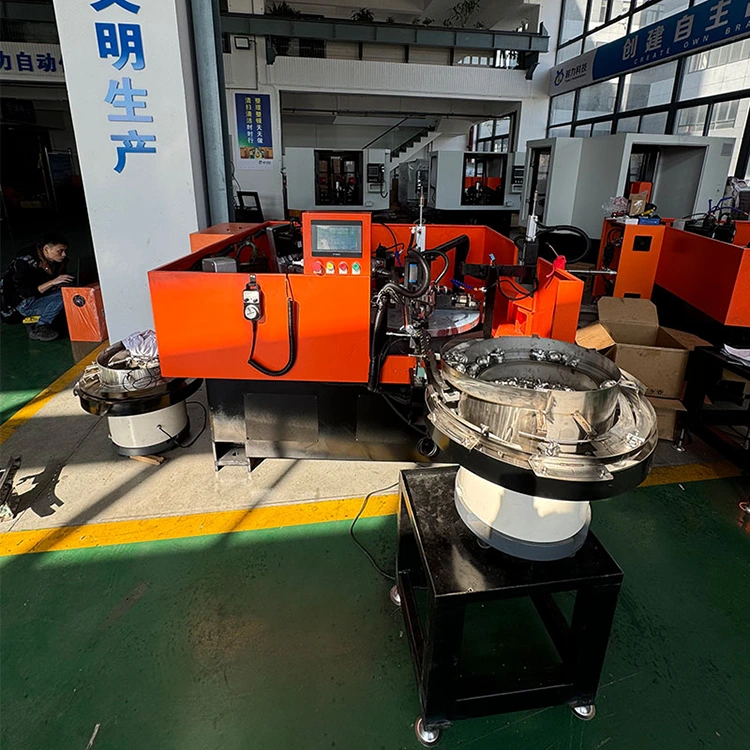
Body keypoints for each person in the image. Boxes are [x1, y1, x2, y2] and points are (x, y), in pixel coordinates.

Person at [11, 234, 72, 342]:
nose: (64, 254)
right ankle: (41, 326)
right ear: (46, 249)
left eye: (64, 251)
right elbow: (24, 292)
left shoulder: (58, 262)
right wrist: (52, 282)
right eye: (60, 251)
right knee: (64, 296)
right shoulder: (24, 262)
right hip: (24, 304)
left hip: (43, 296)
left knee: (69, 292)